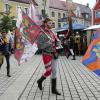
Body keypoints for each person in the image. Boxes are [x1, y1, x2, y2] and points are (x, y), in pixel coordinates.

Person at [37, 18, 61, 95]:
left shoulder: (52, 32)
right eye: (50, 23)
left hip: (54, 54)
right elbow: (40, 46)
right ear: (45, 24)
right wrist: (48, 42)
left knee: (54, 71)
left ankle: (54, 89)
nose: (51, 24)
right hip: (46, 54)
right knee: (48, 71)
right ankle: (40, 80)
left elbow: (56, 42)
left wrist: (58, 43)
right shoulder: (41, 33)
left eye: (52, 23)